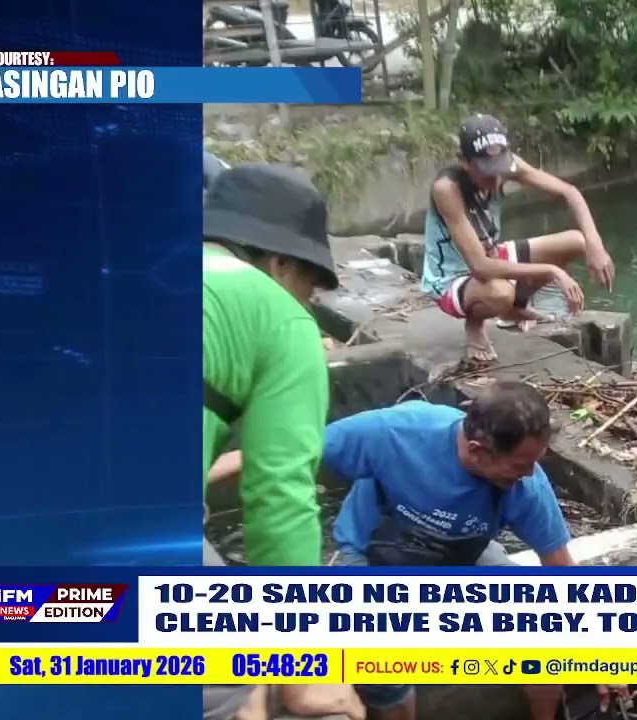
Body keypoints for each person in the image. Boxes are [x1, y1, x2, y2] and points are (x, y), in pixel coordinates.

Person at [201, 162, 362, 720]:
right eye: (308, 289)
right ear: (280, 262)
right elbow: (280, 498)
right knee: (241, 691)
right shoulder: (278, 315)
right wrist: (304, 671)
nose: (307, 306)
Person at [319, 382, 579, 720]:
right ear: (477, 451)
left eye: (534, 462)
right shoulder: (395, 432)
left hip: (460, 556)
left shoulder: (527, 485)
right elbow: (291, 451)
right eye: (519, 465)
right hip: (371, 556)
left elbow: (561, 568)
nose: (529, 473)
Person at [420, 113, 615, 362]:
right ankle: (475, 323)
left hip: (490, 255)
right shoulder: (447, 189)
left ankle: (516, 308)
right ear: (464, 161)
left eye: (500, 170)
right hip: (452, 279)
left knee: (578, 241)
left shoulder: (507, 165)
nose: (495, 179)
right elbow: (479, 267)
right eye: (486, 172)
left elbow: (569, 192)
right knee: (500, 293)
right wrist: (554, 272)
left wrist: (595, 245)